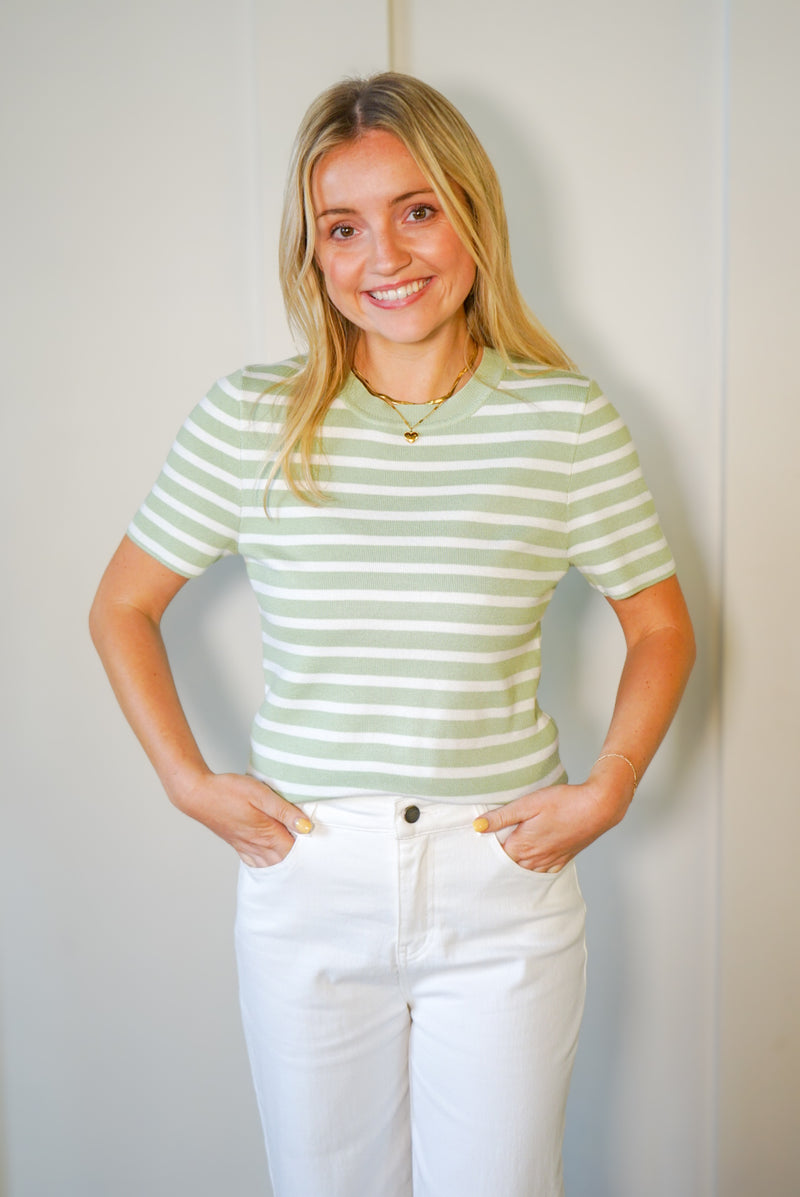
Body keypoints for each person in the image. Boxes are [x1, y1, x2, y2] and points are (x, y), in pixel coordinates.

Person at [89, 72, 695, 1197]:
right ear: (313, 254)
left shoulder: (561, 420)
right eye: (343, 227)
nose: (385, 255)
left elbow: (657, 625)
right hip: (309, 872)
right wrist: (185, 779)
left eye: (417, 209)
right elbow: (120, 605)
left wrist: (606, 787)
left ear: (470, 213)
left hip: (500, 877)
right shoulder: (248, 418)